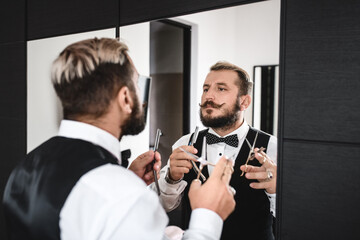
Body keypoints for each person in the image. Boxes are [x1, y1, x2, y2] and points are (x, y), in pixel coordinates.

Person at [2, 38, 236, 240]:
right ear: (125, 97)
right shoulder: (121, 193)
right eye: (137, 84)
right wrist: (208, 215)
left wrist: (126, 179)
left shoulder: (27, 165)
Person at [158, 61, 278, 240]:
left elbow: (296, 216)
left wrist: (276, 192)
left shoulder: (273, 147)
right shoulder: (184, 144)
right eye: (206, 89)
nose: (209, 96)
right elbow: (163, 206)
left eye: (221, 89)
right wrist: (171, 179)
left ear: (244, 101)